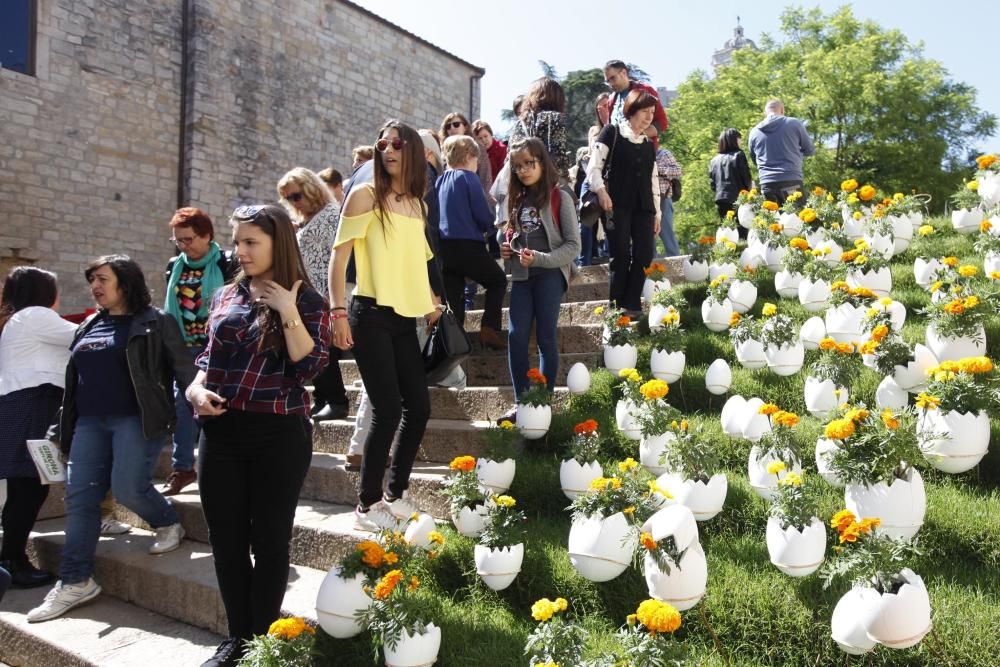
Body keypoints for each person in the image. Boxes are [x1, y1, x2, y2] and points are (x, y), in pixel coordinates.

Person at [185, 205, 330, 666]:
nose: (239, 251)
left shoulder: (307, 299)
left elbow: (309, 366)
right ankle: (237, 639)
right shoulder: (226, 295)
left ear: (277, 244)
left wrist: (287, 309)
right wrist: (194, 389)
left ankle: (262, 645)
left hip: (278, 433)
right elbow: (207, 358)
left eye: (251, 242)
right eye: (238, 241)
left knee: (270, 544)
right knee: (226, 543)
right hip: (221, 431)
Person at [28, 255, 193, 623]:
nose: (95, 287)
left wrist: (195, 408)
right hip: (88, 423)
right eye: (92, 280)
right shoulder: (88, 325)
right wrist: (58, 429)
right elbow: (75, 384)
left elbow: (185, 369)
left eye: (102, 279)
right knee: (81, 498)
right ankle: (76, 580)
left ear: (126, 282)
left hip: (136, 419)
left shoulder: (156, 322)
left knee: (128, 488)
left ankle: (167, 520)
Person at [328, 120, 443, 532]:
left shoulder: (419, 204)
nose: (388, 149)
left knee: (420, 407)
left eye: (396, 143)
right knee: (388, 408)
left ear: (412, 150)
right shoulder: (364, 195)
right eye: (383, 144)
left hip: (403, 316)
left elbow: (416, 261)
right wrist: (337, 312)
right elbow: (339, 260)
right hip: (368, 313)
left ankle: (394, 494)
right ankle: (366, 504)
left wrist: (431, 300)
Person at [0, 267, 76, 588]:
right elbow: (83, 334)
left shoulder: (19, 319)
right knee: (29, 486)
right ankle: (13, 561)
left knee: (23, 487)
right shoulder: (35, 316)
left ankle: (10, 558)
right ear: (45, 293)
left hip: (22, 403)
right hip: (32, 403)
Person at [496, 138, 580, 423]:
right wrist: (506, 247)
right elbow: (508, 234)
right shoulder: (516, 200)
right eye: (517, 166)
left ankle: (542, 403)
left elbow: (573, 246)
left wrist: (541, 259)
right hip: (521, 278)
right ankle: (522, 402)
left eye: (529, 163)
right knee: (516, 337)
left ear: (542, 162)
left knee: (545, 338)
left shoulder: (560, 197)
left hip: (549, 276)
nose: (523, 170)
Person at [162, 208, 239, 496]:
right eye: (178, 240)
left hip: (218, 344)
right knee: (182, 405)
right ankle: (182, 469)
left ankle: (222, 466)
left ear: (207, 235)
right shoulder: (175, 266)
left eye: (189, 239)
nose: (184, 246)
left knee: (219, 406)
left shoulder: (226, 261)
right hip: (183, 346)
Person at [278, 167, 348, 422]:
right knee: (315, 351)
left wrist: (333, 298)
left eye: (296, 196)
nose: (293, 203)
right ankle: (323, 398)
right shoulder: (308, 219)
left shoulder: (330, 215)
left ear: (311, 189)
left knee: (323, 350)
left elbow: (338, 257)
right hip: (308, 294)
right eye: (288, 199)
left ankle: (336, 400)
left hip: (324, 293)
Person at [587, 89, 661, 316]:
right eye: (645, 111)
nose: (649, 117)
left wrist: (657, 214)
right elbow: (594, 167)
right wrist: (601, 191)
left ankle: (631, 302)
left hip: (644, 207)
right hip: (615, 205)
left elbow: (653, 180)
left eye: (652, 112)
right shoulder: (612, 132)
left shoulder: (649, 143)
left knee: (645, 254)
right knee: (620, 255)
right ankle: (617, 308)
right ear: (631, 110)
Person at [436, 135, 507, 349]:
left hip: (444, 249)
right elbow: (481, 213)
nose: (478, 165)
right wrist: (492, 226)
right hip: (468, 244)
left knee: (454, 299)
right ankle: (488, 328)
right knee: (497, 281)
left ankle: (453, 345)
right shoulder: (468, 178)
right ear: (469, 156)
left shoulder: (439, 181)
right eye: (477, 160)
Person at [747, 99, 815, 206]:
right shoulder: (794, 123)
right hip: (791, 179)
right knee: (797, 218)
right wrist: (796, 152)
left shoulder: (754, 132)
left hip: (767, 183)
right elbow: (809, 150)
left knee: (773, 220)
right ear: (782, 110)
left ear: (765, 113)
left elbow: (754, 159)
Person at [602, 60, 668, 139]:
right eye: (608, 81)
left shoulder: (645, 90)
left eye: (613, 78)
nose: (611, 84)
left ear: (624, 73)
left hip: (641, 149)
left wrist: (636, 137)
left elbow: (661, 123)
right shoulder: (611, 99)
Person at [440, 112, 493, 203]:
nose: (452, 128)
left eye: (456, 124)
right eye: (448, 127)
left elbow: (485, 177)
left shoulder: (477, 146)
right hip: (451, 199)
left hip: (474, 200)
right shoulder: (444, 150)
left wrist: (484, 202)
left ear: (465, 127)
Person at [710, 128, 754, 222]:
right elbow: (746, 178)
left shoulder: (714, 160)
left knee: (728, 229)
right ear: (734, 140)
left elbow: (713, 185)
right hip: (738, 199)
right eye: (739, 138)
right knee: (742, 229)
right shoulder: (739, 155)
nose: (741, 141)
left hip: (721, 199)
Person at [655, 146, 682, 256]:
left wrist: (656, 168)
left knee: (667, 234)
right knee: (648, 239)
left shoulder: (663, 153)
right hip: (646, 201)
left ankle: (677, 266)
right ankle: (651, 269)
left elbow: (677, 171)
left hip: (663, 199)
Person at [472, 120, 507, 186]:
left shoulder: (502, 149)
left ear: (491, 135)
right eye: (480, 138)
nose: (484, 140)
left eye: (485, 136)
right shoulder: (475, 153)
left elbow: (503, 174)